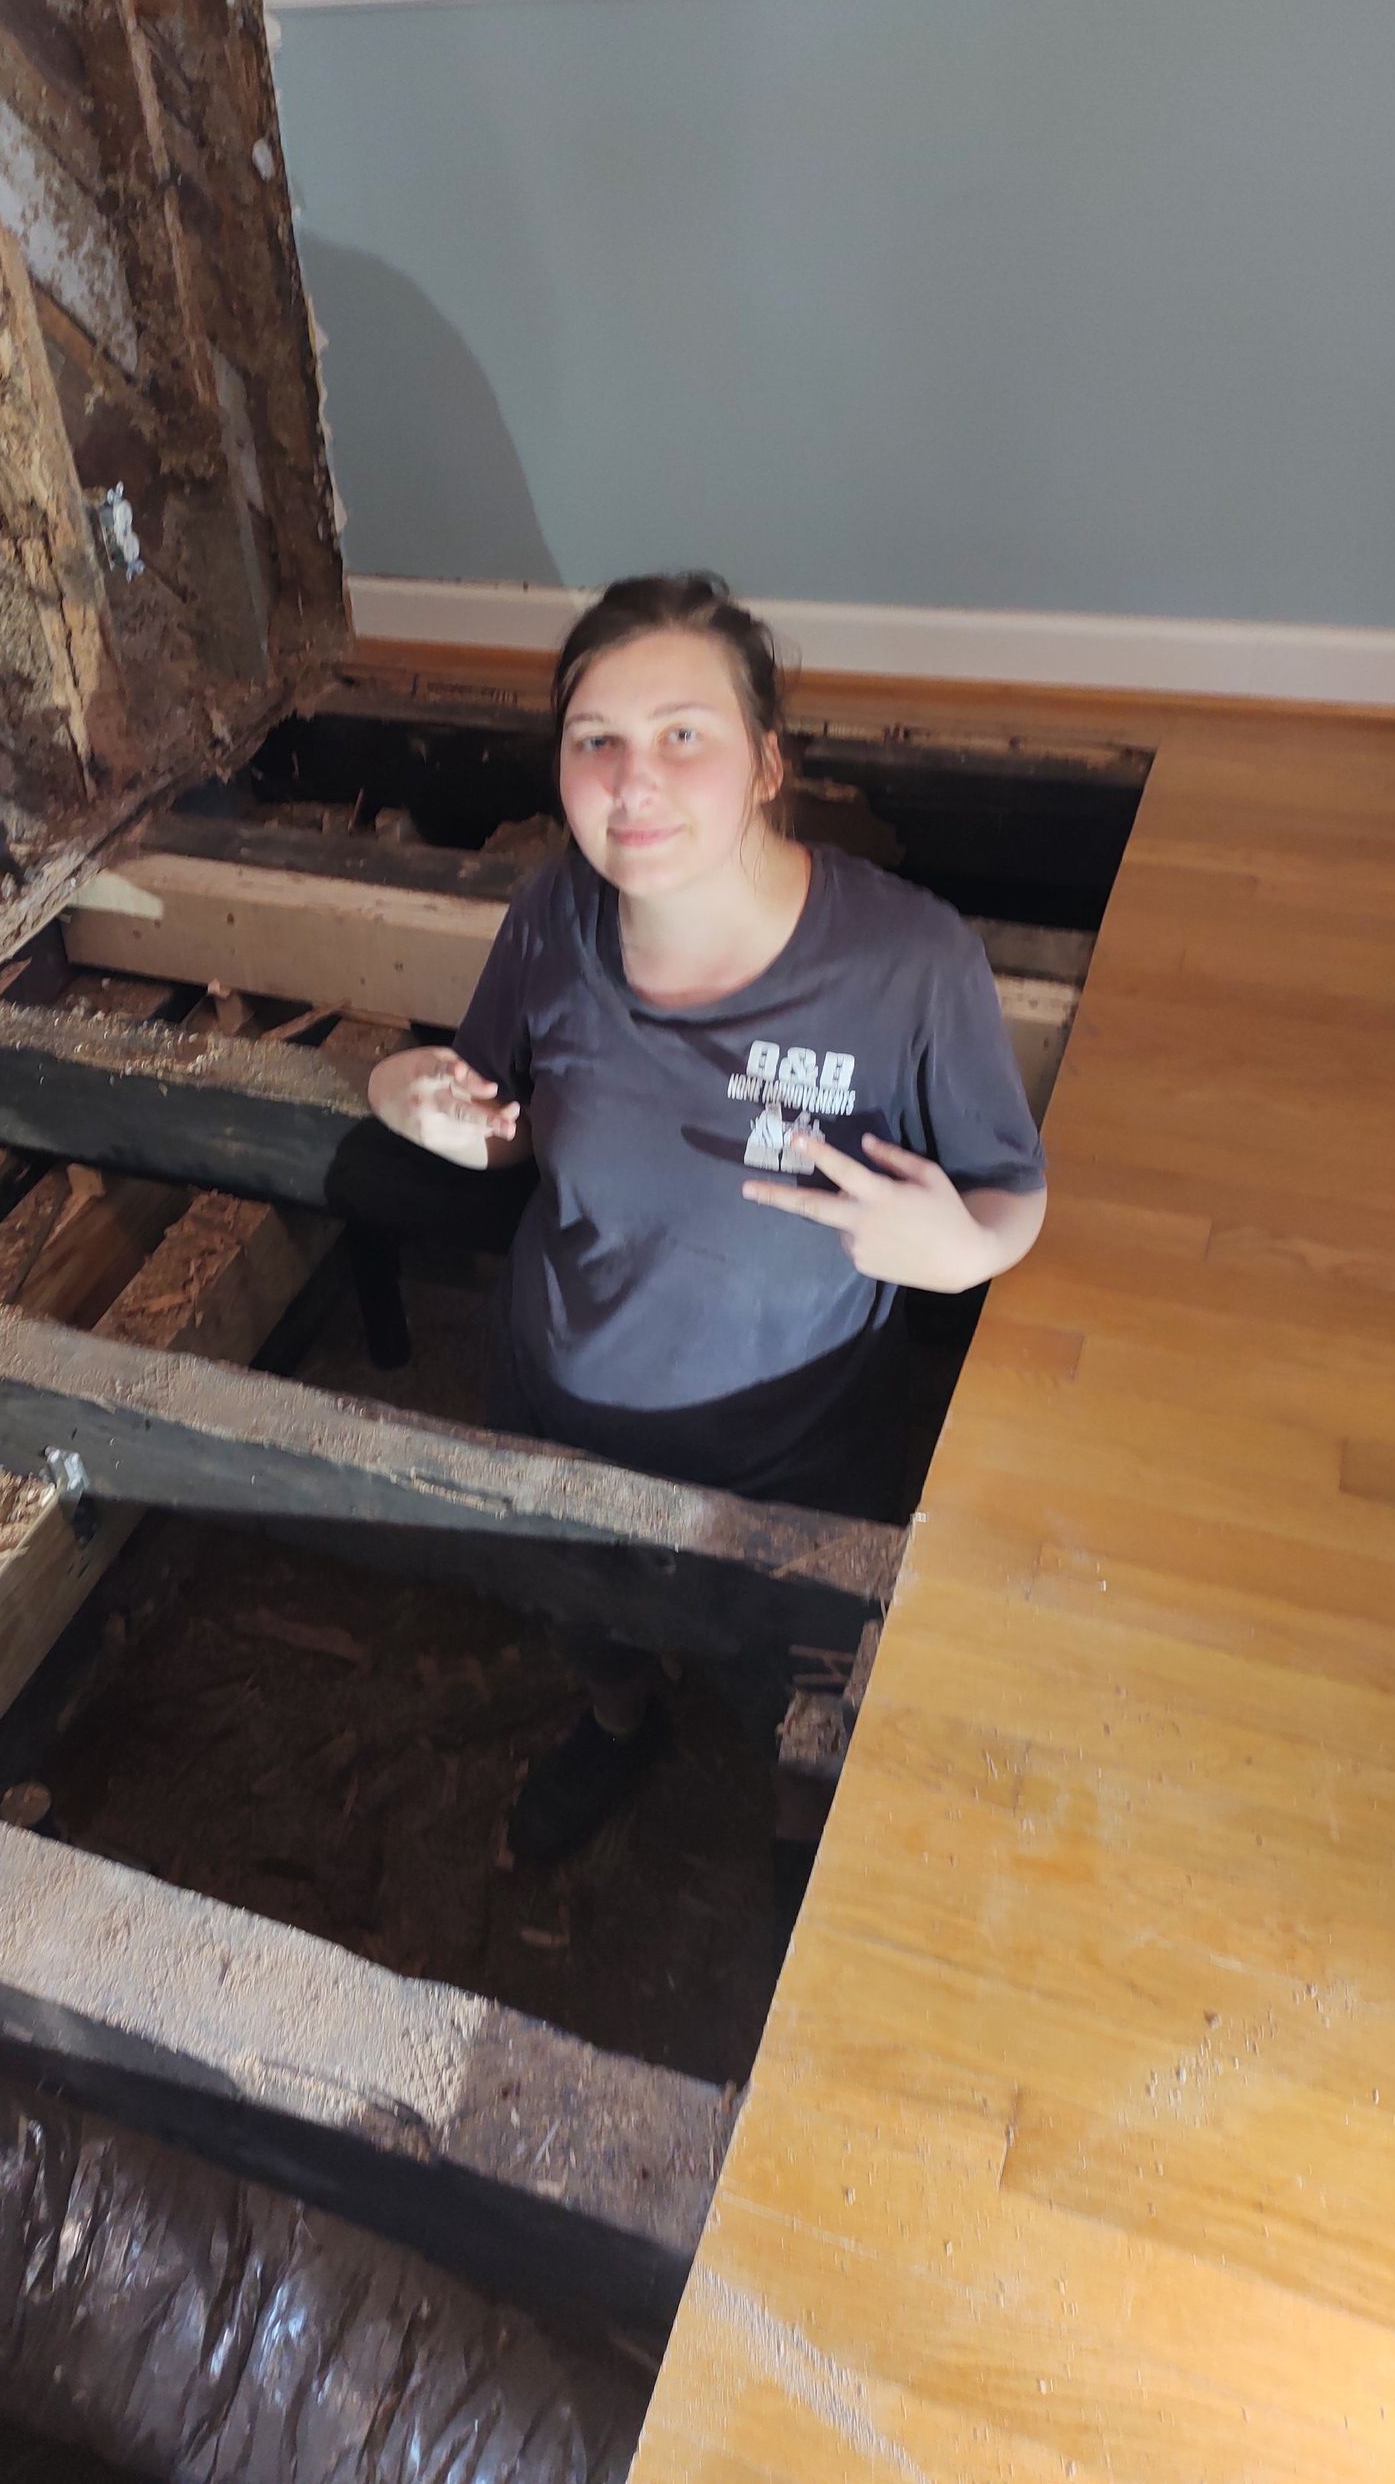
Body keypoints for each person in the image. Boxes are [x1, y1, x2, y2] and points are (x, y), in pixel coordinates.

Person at [367, 573, 1047, 1916]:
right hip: (561, 1413)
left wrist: (965, 1249)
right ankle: (619, 1721)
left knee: (795, 1670)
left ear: (768, 763)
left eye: (684, 733)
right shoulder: (554, 918)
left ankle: (798, 1808)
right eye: (595, 739)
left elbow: (1010, 1189)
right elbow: (492, 1104)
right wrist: (408, 1095)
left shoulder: (908, 965)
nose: (635, 778)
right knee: (588, 1610)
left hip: (793, 1464)